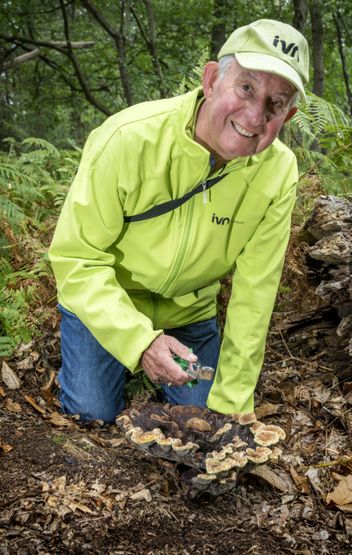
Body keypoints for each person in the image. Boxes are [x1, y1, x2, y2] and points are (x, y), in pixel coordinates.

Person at [49, 19, 309, 423]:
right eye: (246, 88)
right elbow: (77, 257)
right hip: (111, 299)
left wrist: (232, 410)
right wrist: (138, 340)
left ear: (288, 116)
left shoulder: (278, 173)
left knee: (208, 419)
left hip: (189, 314)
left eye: (275, 103)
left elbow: (254, 294)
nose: (256, 116)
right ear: (210, 80)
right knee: (92, 412)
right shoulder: (130, 138)